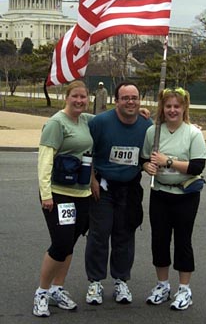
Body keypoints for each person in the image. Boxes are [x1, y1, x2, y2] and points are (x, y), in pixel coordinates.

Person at [141, 87, 206, 311]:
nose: (172, 110)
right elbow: (144, 159)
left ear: (184, 108)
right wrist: (148, 166)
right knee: (159, 240)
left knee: (182, 240)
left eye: (176, 106)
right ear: (162, 108)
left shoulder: (193, 133)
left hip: (185, 195)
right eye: (168, 106)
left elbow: (198, 166)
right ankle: (162, 285)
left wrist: (167, 161)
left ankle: (184, 289)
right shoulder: (154, 132)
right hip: (160, 192)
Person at [85, 81, 153, 305]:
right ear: (116, 101)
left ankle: (121, 281)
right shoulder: (101, 122)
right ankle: (95, 282)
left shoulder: (146, 124)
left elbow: (147, 155)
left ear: (140, 100)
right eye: (125, 98)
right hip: (103, 187)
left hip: (130, 189)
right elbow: (87, 151)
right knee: (99, 234)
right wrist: (91, 178)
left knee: (124, 235)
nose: (130, 102)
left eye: (134, 97)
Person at [33, 80, 94, 317]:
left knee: (70, 244)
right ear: (66, 97)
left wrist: (140, 114)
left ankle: (58, 289)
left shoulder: (86, 120)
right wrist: (46, 194)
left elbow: (112, 119)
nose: (79, 100)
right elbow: (45, 160)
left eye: (83, 97)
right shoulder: (56, 123)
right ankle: (42, 292)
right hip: (59, 195)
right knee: (60, 244)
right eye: (75, 96)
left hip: (82, 194)